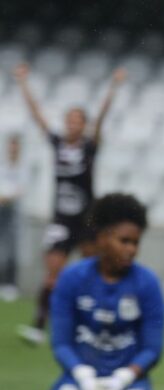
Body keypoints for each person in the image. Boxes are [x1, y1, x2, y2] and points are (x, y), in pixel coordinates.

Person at [32, 193, 164, 390]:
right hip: (80, 378)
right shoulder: (72, 278)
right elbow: (61, 343)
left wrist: (122, 378)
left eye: (136, 242)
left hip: (128, 384)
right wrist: (84, 376)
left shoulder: (148, 283)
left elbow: (152, 349)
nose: (131, 249)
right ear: (103, 238)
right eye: (124, 241)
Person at [14, 63, 127, 344]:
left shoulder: (89, 147)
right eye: (69, 120)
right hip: (61, 219)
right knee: (53, 271)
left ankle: (95, 326)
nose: (72, 124)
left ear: (84, 125)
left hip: (88, 221)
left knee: (93, 274)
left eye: (78, 120)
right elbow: (37, 115)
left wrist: (113, 88)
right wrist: (23, 83)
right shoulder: (57, 144)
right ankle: (39, 326)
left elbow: (101, 119)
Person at [0, 134, 24, 301]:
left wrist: (7, 198)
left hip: (13, 210)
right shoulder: (3, 167)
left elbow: (21, 189)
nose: (12, 149)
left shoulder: (23, 168)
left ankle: (10, 284)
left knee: (12, 247)